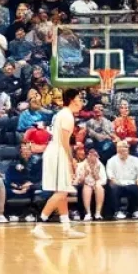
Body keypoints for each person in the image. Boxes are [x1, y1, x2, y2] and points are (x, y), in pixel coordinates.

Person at [32, 89, 85, 240]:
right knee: (61, 192)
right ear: (73, 100)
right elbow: (64, 142)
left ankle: (66, 227)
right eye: (79, 98)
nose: (81, 102)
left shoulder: (62, 114)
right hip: (58, 153)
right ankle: (39, 226)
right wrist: (71, 161)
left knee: (62, 191)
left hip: (54, 151)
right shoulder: (67, 116)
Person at [106, 142, 138, 220]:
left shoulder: (136, 160)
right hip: (118, 184)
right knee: (113, 188)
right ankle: (117, 211)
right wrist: (114, 182)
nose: (121, 150)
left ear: (128, 149)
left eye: (123, 148)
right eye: (119, 148)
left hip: (131, 183)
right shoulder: (111, 161)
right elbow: (111, 176)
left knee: (136, 188)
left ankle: (133, 211)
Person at [74, 148, 106, 221]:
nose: (92, 157)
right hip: (85, 184)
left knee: (99, 187)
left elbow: (104, 180)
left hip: (97, 183)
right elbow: (78, 181)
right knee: (87, 187)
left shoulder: (100, 165)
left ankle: (98, 213)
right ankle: (88, 213)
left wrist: (96, 177)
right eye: (90, 155)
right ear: (87, 156)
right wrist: (85, 175)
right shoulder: (81, 165)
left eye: (95, 155)